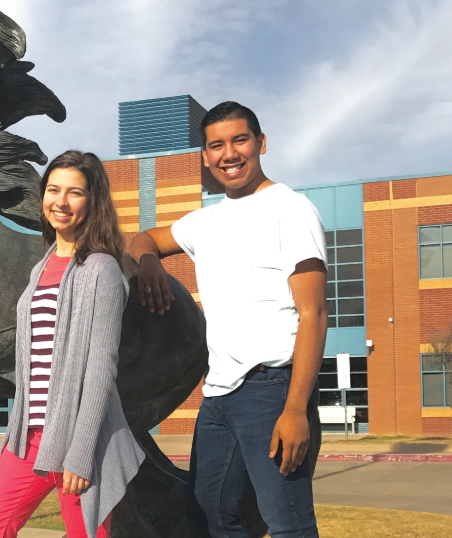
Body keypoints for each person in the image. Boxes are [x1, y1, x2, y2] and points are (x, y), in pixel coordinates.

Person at [129, 101, 327, 538]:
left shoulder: (290, 209)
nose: (229, 153)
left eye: (239, 140)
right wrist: (150, 265)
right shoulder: (205, 221)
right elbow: (143, 239)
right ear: (204, 155)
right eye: (216, 145)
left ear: (260, 143)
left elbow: (313, 313)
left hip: (272, 389)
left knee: (288, 523)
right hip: (218, 396)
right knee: (209, 517)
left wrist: (296, 408)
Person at [0, 151, 145, 538]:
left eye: (75, 193)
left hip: (77, 438)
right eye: (53, 190)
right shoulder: (41, 266)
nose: (60, 202)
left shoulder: (103, 270)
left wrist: (80, 453)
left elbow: (100, 371)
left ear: (93, 201)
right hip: (29, 436)